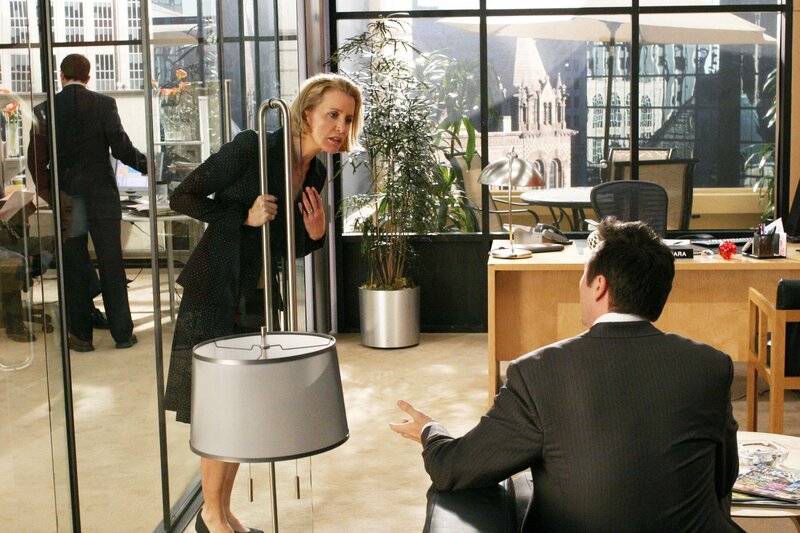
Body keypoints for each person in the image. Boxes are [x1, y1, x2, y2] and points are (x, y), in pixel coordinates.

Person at [390, 218, 743, 533]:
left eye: (583, 274)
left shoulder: (537, 372)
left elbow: (454, 469)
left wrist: (431, 431)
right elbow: (723, 478)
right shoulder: (711, 365)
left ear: (599, 285)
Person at [163, 73, 362, 533]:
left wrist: (314, 235)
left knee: (241, 406)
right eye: (332, 114)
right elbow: (182, 195)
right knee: (219, 407)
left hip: (256, 296)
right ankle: (212, 515)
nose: (340, 127)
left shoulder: (314, 171)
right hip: (215, 291)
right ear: (306, 112)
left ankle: (221, 512)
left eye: (349, 119)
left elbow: (283, 243)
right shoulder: (253, 147)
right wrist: (243, 215)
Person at [27, 53, 146, 352]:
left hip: (69, 199)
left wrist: (51, 193)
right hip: (102, 197)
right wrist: (147, 165)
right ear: (88, 77)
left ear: (61, 76)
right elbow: (121, 148)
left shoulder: (43, 111)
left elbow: (36, 161)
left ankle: (81, 336)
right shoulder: (105, 104)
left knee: (75, 265)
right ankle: (122, 334)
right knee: (111, 263)